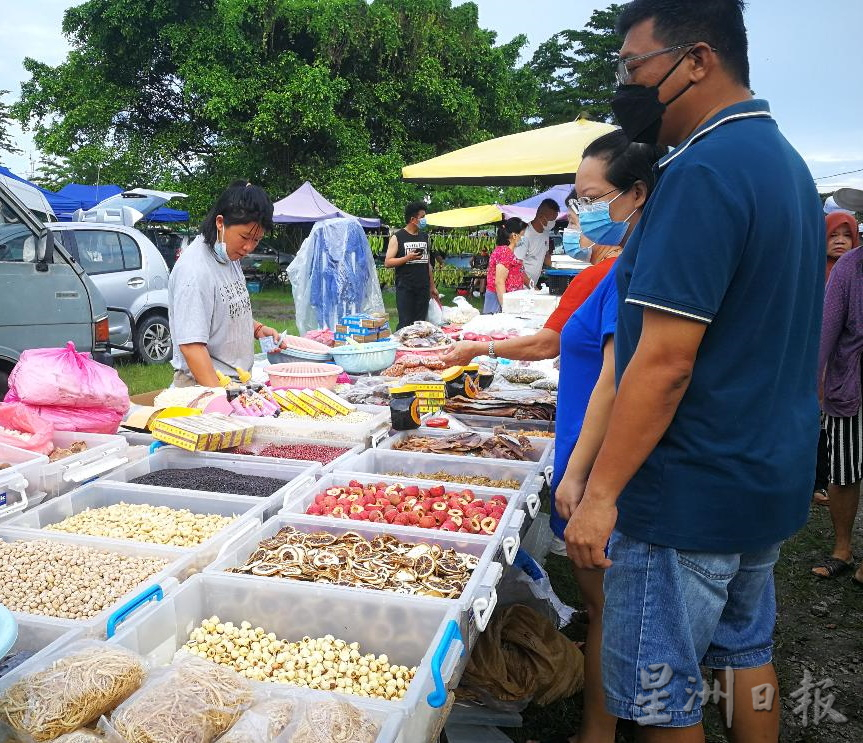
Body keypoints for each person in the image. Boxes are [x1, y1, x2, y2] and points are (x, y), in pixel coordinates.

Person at [566, 2, 824, 742]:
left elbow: (665, 360)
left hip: (688, 490)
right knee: (744, 652)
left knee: (660, 696)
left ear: (697, 59)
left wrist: (600, 494)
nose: (626, 83)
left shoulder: (702, 171)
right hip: (762, 473)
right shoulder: (783, 164)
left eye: (632, 64)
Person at [521, 129, 664, 743]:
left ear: (637, 193)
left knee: (611, 609)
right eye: (577, 200)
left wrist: (581, 476)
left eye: (592, 197)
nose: (582, 211)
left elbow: (614, 378)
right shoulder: (623, 266)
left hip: (599, 464)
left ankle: (599, 731)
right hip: (590, 458)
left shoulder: (633, 271)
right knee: (611, 606)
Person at [443, 133, 656, 367]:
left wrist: (480, 348)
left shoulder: (612, 275)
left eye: (590, 201)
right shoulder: (633, 268)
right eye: (580, 207)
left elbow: (549, 345)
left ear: (637, 193)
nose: (583, 222)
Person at [168, 180, 286, 387]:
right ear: (220, 222)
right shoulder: (194, 271)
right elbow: (192, 347)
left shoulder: (229, 255)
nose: (249, 247)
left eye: (257, 240)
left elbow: (223, 310)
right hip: (204, 386)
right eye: (245, 237)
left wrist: (257, 329)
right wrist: (220, 397)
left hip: (235, 382)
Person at [812, 212, 863, 580]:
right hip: (849, 387)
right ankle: (842, 549)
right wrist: (811, 386)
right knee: (844, 472)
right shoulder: (850, 268)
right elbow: (825, 333)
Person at [384, 201, 439, 330]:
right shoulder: (398, 237)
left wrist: (432, 286)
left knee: (420, 324)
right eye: (422, 217)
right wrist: (407, 258)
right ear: (413, 219)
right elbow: (388, 262)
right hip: (406, 287)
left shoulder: (424, 237)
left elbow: (427, 263)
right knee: (405, 322)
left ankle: (418, 343)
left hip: (423, 287)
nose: (424, 220)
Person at [483, 217, 527, 314]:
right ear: (514, 235)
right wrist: (505, 307)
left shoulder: (506, 251)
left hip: (505, 298)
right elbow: (499, 282)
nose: (523, 238)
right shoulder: (504, 252)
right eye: (523, 235)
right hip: (499, 300)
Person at [515, 198, 559, 287]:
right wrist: (532, 287)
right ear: (541, 217)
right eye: (552, 220)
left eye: (555, 220)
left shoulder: (545, 233)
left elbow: (545, 256)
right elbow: (516, 266)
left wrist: (561, 266)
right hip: (520, 286)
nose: (553, 223)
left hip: (532, 285)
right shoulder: (525, 235)